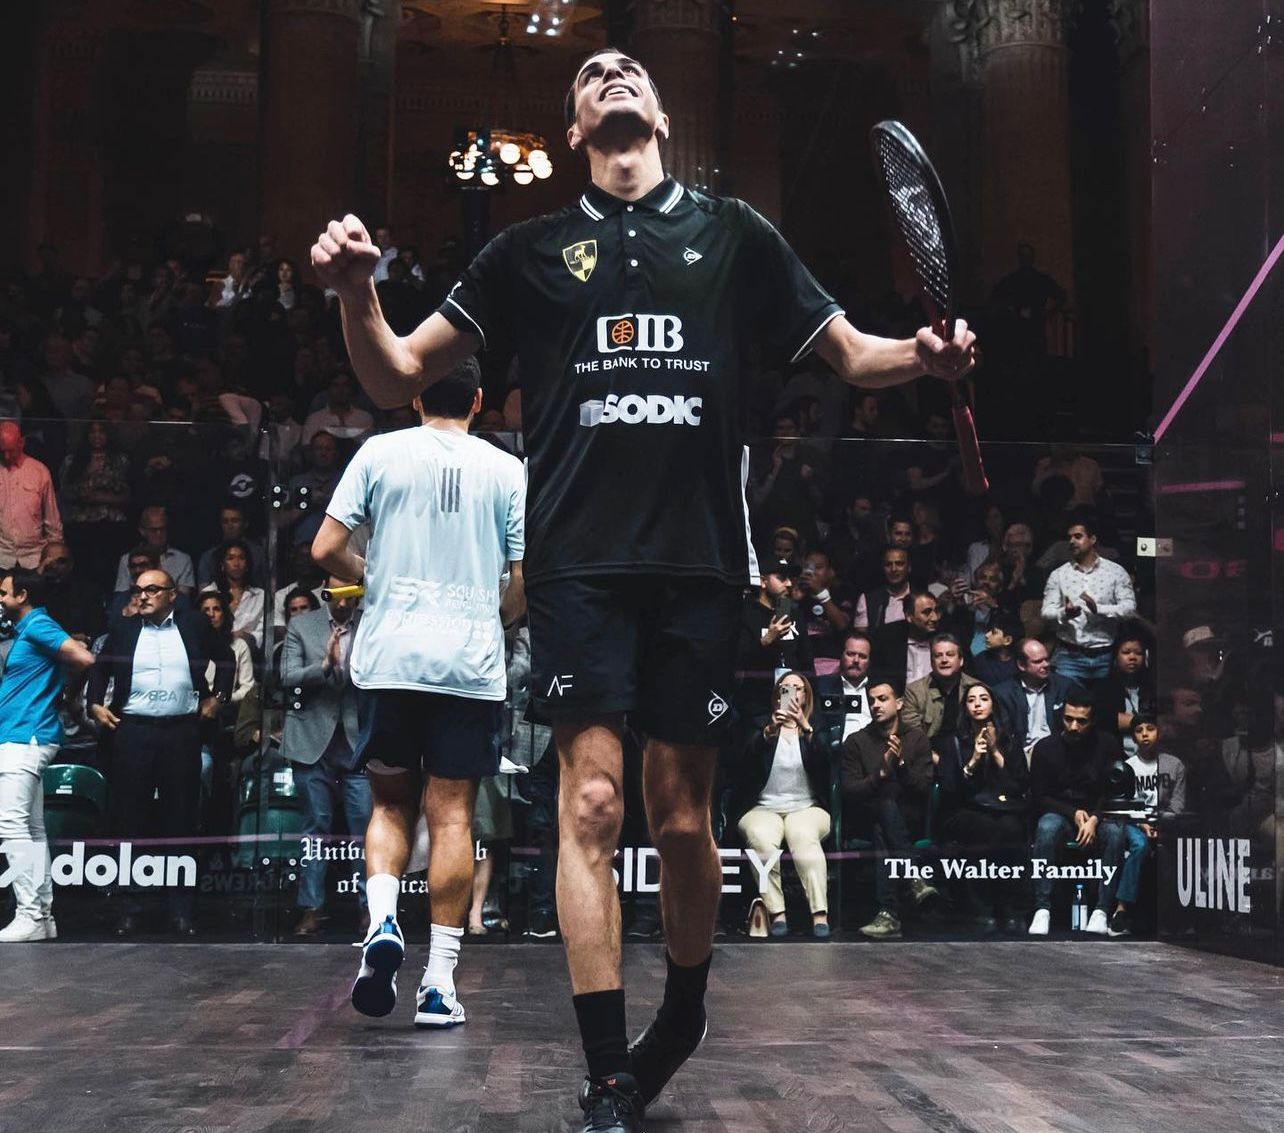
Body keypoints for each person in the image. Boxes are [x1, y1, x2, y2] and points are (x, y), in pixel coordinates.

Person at [311, 45, 974, 1131]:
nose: (612, 72)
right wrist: (356, 293)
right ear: (574, 129)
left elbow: (855, 354)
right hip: (577, 566)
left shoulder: (735, 232)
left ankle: (688, 1004)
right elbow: (392, 372)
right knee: (591, 802)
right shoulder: (526, 252)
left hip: (700, 562)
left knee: (679, 817)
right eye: (590, 73)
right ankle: (609, 1067)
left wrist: (926, 356)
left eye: (629, 68)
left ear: (661, 113)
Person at [310, 356, 525, 1030]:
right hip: (468, 666)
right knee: (453, 817)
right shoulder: (508, 470)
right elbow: (524, 579)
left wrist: (375, 576)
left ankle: (382, 921)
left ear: (414, 397)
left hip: (391, 661)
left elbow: (325, 548)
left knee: (389, 803)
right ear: (479, 401)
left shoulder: (380, 452)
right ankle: (438, 984)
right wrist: (493, 615)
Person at [87, 569, 234, 935]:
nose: (143, 596)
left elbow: (226, 657)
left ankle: (181, 910)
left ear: (172, 595)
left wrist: (219, 698)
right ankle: (130, 908)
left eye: (152, 589)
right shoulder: (123, 629)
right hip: (132, 731)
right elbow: (100, 669)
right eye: (138, 590)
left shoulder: (194, 624)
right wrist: (94, 703)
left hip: (181, 731)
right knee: (129, 818)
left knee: (181, 817)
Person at [0, 570, 95, 941]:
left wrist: (69, 696)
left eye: (3, 593)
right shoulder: (28, 630)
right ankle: (42, 917)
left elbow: (83, 657)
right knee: (32, 829)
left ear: (22, 595)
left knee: (10, 825)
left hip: (26, 737)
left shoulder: (38, 624)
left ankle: (29, 915)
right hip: (22, 736)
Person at [278, 578, 370, 936]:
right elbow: (287, 676)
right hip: (312, 740)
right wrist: (325, 666)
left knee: (364, 827)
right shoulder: (303, 625)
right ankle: (311, 907)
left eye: (351, 595)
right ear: (325, 593)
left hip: (356, 739)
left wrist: (349, 669)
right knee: (315, 826)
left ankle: (369, 907)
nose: (344, 603)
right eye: (337, 595)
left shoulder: (371, 621)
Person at [731, 672, 833, 938]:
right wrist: (767, 733)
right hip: (763, 807)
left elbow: (828, 763)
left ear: (806, 695)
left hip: (808, 807)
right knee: (761, 839)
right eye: (785, 688)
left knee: (803, 837)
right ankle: (777, 913)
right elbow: (741, 762)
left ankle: (819, 915)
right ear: (777, 695)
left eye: (797, 688)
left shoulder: (817, 726)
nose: (791, 693)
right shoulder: (759, 724)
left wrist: (806, 728)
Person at [841, 679, 938, 940]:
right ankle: (914, 877)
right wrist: (881, 774)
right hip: (865, 815)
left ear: (899, 703)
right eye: (871, 700)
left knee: (883, 828)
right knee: (882, 809)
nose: (876, 705)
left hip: (907, 818)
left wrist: (902, 767)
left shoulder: (917, 739)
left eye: (882, 699)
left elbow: (924, 788)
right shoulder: (856, 741)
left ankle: (888, 914)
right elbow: (849, 791)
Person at [1026, 696, 1125, 936]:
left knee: (1114, 833)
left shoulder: (1108, 744)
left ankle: (1101, 910)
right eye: (1068, 719)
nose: (1073, 726)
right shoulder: (1045, 748)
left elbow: (1114, 791)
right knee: (1047, 827)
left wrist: (1094, 817)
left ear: (1093, 721)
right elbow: (1040, 796)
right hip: (1060, 813)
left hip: (1097, 815)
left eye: (1081, 721)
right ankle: (1042, 909)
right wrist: (1073, 813)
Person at [935, 682, 1029, 933]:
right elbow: (950, 790)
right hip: (964, 809)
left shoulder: (1009, 739)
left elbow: (1019, 785)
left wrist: (996, 752)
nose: (977, 704)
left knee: (1011, 829)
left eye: (983, 699)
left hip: (1004, 808)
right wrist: (974, 760)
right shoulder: (953, 742)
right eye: (971, 700)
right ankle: (982, 909)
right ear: (965, 708)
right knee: (985, 830)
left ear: (993, 705)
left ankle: (1010, 909)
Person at [1106, 713, 1186, 937]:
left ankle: (1172, 918)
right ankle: (1121, 910)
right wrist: (1143, 825)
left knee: (1169, 853)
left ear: (1161, 731)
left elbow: (1178, 805)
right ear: (1133, 737)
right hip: (1135, 824)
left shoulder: (1174, 764)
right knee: (1140, 846)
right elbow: (1126, 806)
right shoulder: (1127, 767)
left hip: (1166, 824)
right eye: (1139, 731)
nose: (1145, 735)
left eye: (1150, 729)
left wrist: (1160, 823)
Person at [1041, 515, 1136, 686]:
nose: (1072, 541)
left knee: (1105, 702)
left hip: (1106, 655)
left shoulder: (1116, 572)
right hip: (1069, 655)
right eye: (1069, 537)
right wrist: (1065, 613)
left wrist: (1098, 609)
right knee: (1068, 702)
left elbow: (1129, 609)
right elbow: (1046, 612)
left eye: (1078, 536)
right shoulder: (1059, 574)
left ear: (1092, 539)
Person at [992, 639, 1085, 766]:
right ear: (1021, 665)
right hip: (1024, 755)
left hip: (1059, 752)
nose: (1046, 664)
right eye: (1038, 661)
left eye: (1046, 659)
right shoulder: (1004, 693)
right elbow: (1006, 735)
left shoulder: (1064, 686)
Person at [0, 421, 63, 571]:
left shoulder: (40, 472)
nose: (7, 456)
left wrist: (54, 557)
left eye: (11, 450)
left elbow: (52, 520)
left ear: (21, 443)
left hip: (34, 559)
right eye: (2, 451)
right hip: (2, 558)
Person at [901, 634, 979, 745]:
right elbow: (914, 736)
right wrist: (934, 755)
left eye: (950, 655)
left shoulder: (976, 688)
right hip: (928, 751)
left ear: (961, 660)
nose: (944, 660)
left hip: (969, 750)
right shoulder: (913, 692)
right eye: (938, 656)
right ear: (931, 662)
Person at [112, 505, 196, 596]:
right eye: (153, 530)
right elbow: (121, 597)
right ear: (142, 531)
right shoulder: (127, 560)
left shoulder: (183, 560)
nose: (159, 534)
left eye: (162, 529)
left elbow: (183, 598)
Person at [199, 540, 266, 648]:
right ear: (222, 565)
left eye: (241, 558)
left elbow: (262, 632)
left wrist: (245, 637)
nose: (236, 563)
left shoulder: (261, 596)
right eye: (230, 558)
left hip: (249, 650)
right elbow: (202, 628)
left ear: (247, 564)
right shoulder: (209, 593)